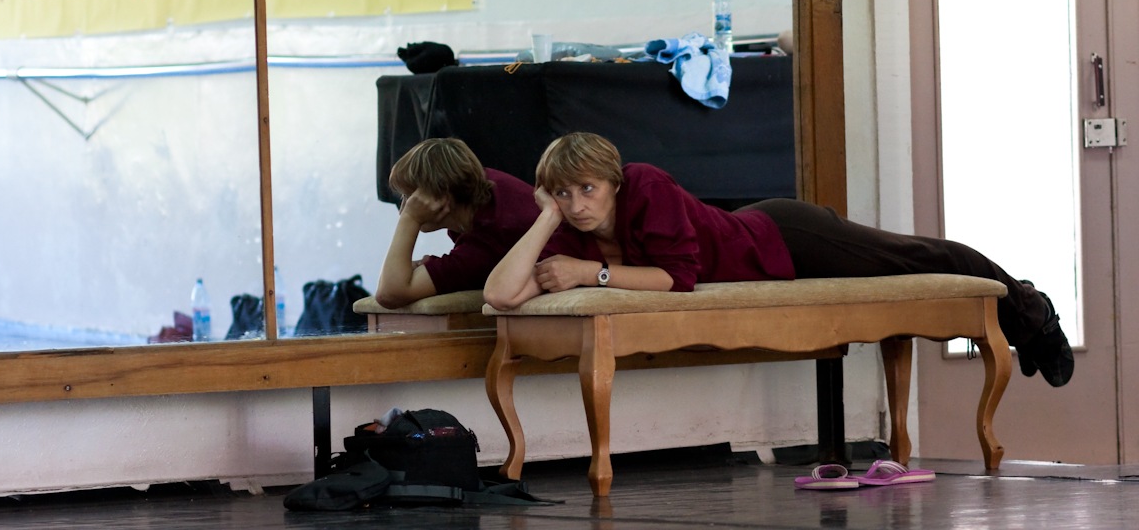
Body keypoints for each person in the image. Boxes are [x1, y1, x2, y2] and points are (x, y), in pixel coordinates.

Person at [483, 132, 1075, 387]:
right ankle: (1026, 316)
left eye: (587, 190)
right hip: (763, 247)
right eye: (562, 194)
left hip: (784, 237)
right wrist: (546, 218)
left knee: (917, 258)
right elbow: (501, 295)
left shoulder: (645, 185)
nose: (577, 204)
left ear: (613, 183)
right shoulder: (566, 228)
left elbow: (677, 280)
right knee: (915, 259)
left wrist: (590, 274)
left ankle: (1030, 309)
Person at [375, 138, 540, 309]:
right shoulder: (486, 187)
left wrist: (410, 219)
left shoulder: (487, 240)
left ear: (440, 195)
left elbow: (389, 293)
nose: (403, 209)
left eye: (409, 197)